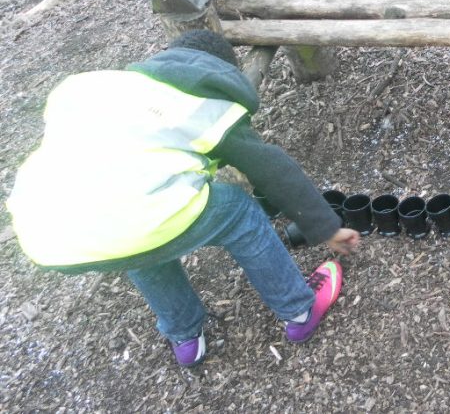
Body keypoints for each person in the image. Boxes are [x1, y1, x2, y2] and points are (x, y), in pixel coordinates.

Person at [7, 30, 360, 367]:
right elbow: (272, 168)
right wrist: (326, 227)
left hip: (45, 232)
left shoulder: (91, 86)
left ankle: (185, 337)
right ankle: (299, 310)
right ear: (221, 73)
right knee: (238, 212)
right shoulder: (203, 106)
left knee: (133, 225)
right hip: (98, 222)